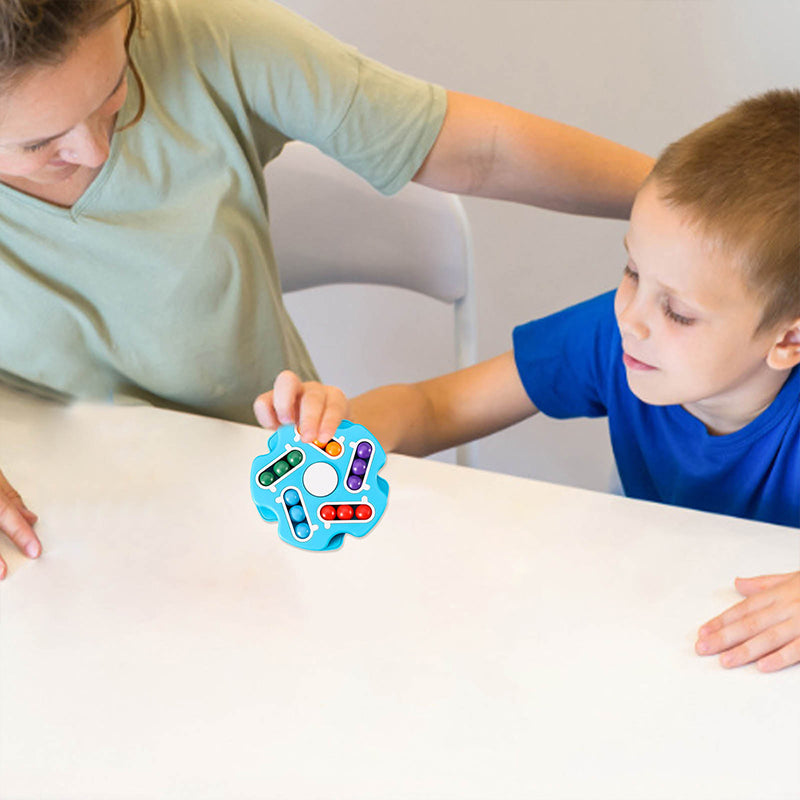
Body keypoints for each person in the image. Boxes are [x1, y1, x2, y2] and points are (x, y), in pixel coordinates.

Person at [0, 0, 655, 577]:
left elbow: (475, 150)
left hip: (262, 514)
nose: (92, 148)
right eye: (40, 144)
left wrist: (694, 209)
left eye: (116, 92)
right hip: (45, 532)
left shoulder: (207, 37)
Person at [254, 89, 800, 672]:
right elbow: (435, 406)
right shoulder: (611, 338)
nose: (632, 318)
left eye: (679, 312)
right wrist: (338, 429)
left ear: (788, 340)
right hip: (654, 633)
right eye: (632, 271)